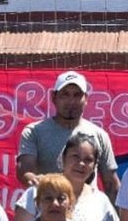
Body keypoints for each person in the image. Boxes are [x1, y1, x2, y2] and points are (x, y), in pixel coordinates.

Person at [16, 70, 119, 199]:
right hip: (50, 207)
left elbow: (111, 184)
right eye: (65, 95)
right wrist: (35, 180)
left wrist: (120, 211)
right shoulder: (34, 132)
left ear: (86, 99)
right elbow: (25, 170)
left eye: (77, 95)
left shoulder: (100, 135)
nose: (71, 101)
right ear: (54, 97)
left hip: (87, 208)